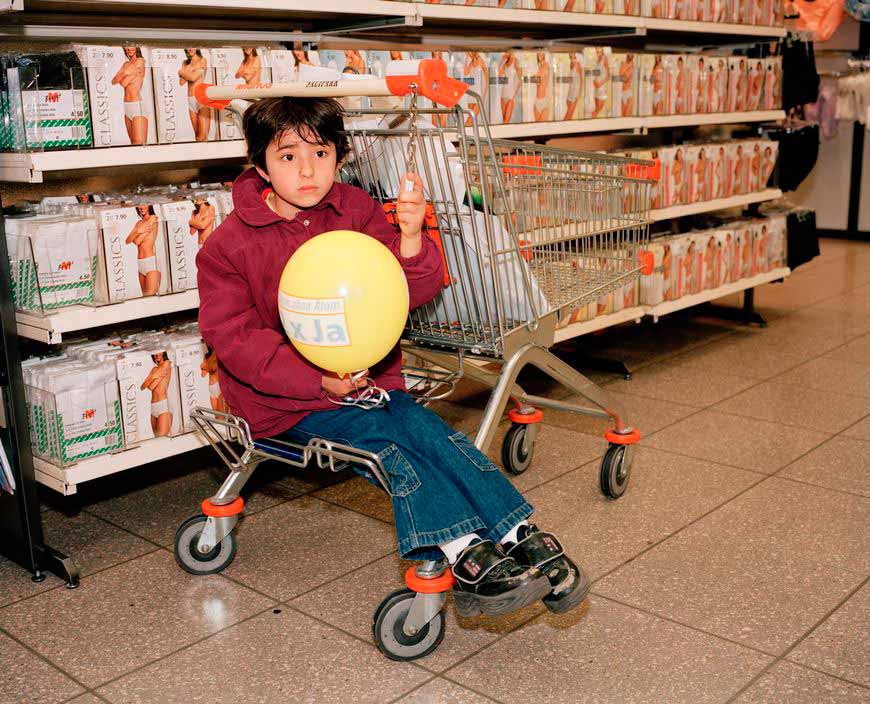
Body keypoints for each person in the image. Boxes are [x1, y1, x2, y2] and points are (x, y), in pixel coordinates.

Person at [196, 96, 590, 618]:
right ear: (260, 164)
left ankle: (521, 536)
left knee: (434, 435)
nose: (307, 170)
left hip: (370, 384)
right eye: (288, 156)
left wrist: (409, 238)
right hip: (289, 404)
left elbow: (410, 290)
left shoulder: (356, 210)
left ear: (340, 156)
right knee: (395, 451)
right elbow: (237, 338)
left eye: (321, 153)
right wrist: (318, 382)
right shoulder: (229, 246)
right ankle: (464, 556)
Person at [112, 46, 148, 145]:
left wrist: (122, 75)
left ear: (137, 48)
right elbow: (113, 81)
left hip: (137, 107)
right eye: (126, 48)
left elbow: (123, 83)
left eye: (131, 47)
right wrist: (125, 72)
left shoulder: (141, 61)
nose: (128, 50)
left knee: (139, 144)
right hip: (127, 107)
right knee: (133, 144)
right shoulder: (126, 64)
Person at [126, 204, 161, 296]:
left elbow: (137, 241)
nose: (141, 207)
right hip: (140, 263)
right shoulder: (139, 223)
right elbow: (127, 241)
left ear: (149, 205)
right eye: (139, 205)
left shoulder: (153, 218)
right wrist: (138, 231)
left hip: (151, 263)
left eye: (144, 204)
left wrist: (135, 234)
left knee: (151, 298)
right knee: (145, 298)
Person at [179, 48, 212, 141]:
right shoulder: (185, 63)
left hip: (201, 99)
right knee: (197, 137)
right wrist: (187, 74)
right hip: (190, 101)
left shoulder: (202, 60)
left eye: (192, 46)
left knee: (202, 137)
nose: (190, 49)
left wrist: (181, 72)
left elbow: (193, 78)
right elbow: (181, 82)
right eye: (187, 47)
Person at [142, 351, 173, 436]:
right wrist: (154, 376)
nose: (156, 355)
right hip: (153, 408)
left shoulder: (167, 363)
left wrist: (150, 380)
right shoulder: (154, 369)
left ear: (163, 353)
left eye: (159, 353)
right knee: (157, 439)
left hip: (164, 406)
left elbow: (150, 387)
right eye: (154, 354)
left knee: (162, 439)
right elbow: (143, 387)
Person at [499, 51, 522, 123]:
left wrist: (515, 93)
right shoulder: (504, 60)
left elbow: (520, 78)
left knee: (506, 121)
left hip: (510, 95)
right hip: (503, 94)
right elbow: (500, 74)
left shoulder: (515, 60)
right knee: (503, 120)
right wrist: (503, 61)